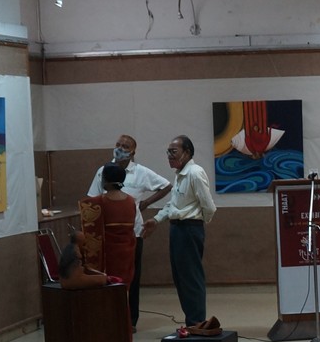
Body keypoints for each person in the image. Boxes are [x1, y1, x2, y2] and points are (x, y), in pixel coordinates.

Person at [87, 135, 172, 327]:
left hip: (132, 232)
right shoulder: (103, 170)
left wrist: (146, 203)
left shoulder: (140, 172)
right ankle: (107, 315)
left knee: (131, 275)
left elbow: (166, 186)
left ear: (133, 152)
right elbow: (92, 199)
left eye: (125, 146)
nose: (120, 148)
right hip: (105, 234)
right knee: (106, 275)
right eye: (118, 144)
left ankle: (131, 319)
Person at [155, 134, 217, 326]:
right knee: (180, 277)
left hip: (189, 229)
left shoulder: (195, 173)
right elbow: (173, 205)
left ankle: (197, 322)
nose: (169, 155)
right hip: (177, 229)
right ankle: (192, 321)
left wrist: (198, 223)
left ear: (187, 152)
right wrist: (156, 219)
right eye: (168, 152)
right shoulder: (180, 175)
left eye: (173, 151)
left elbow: (209, 206)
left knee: (191, 277)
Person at [78, 162, 139, 290]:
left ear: (105, 180)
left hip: (107, 256)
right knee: (123, 289)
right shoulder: (131, 201)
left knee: (108, 289)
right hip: (127, 253)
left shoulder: (96, 203)